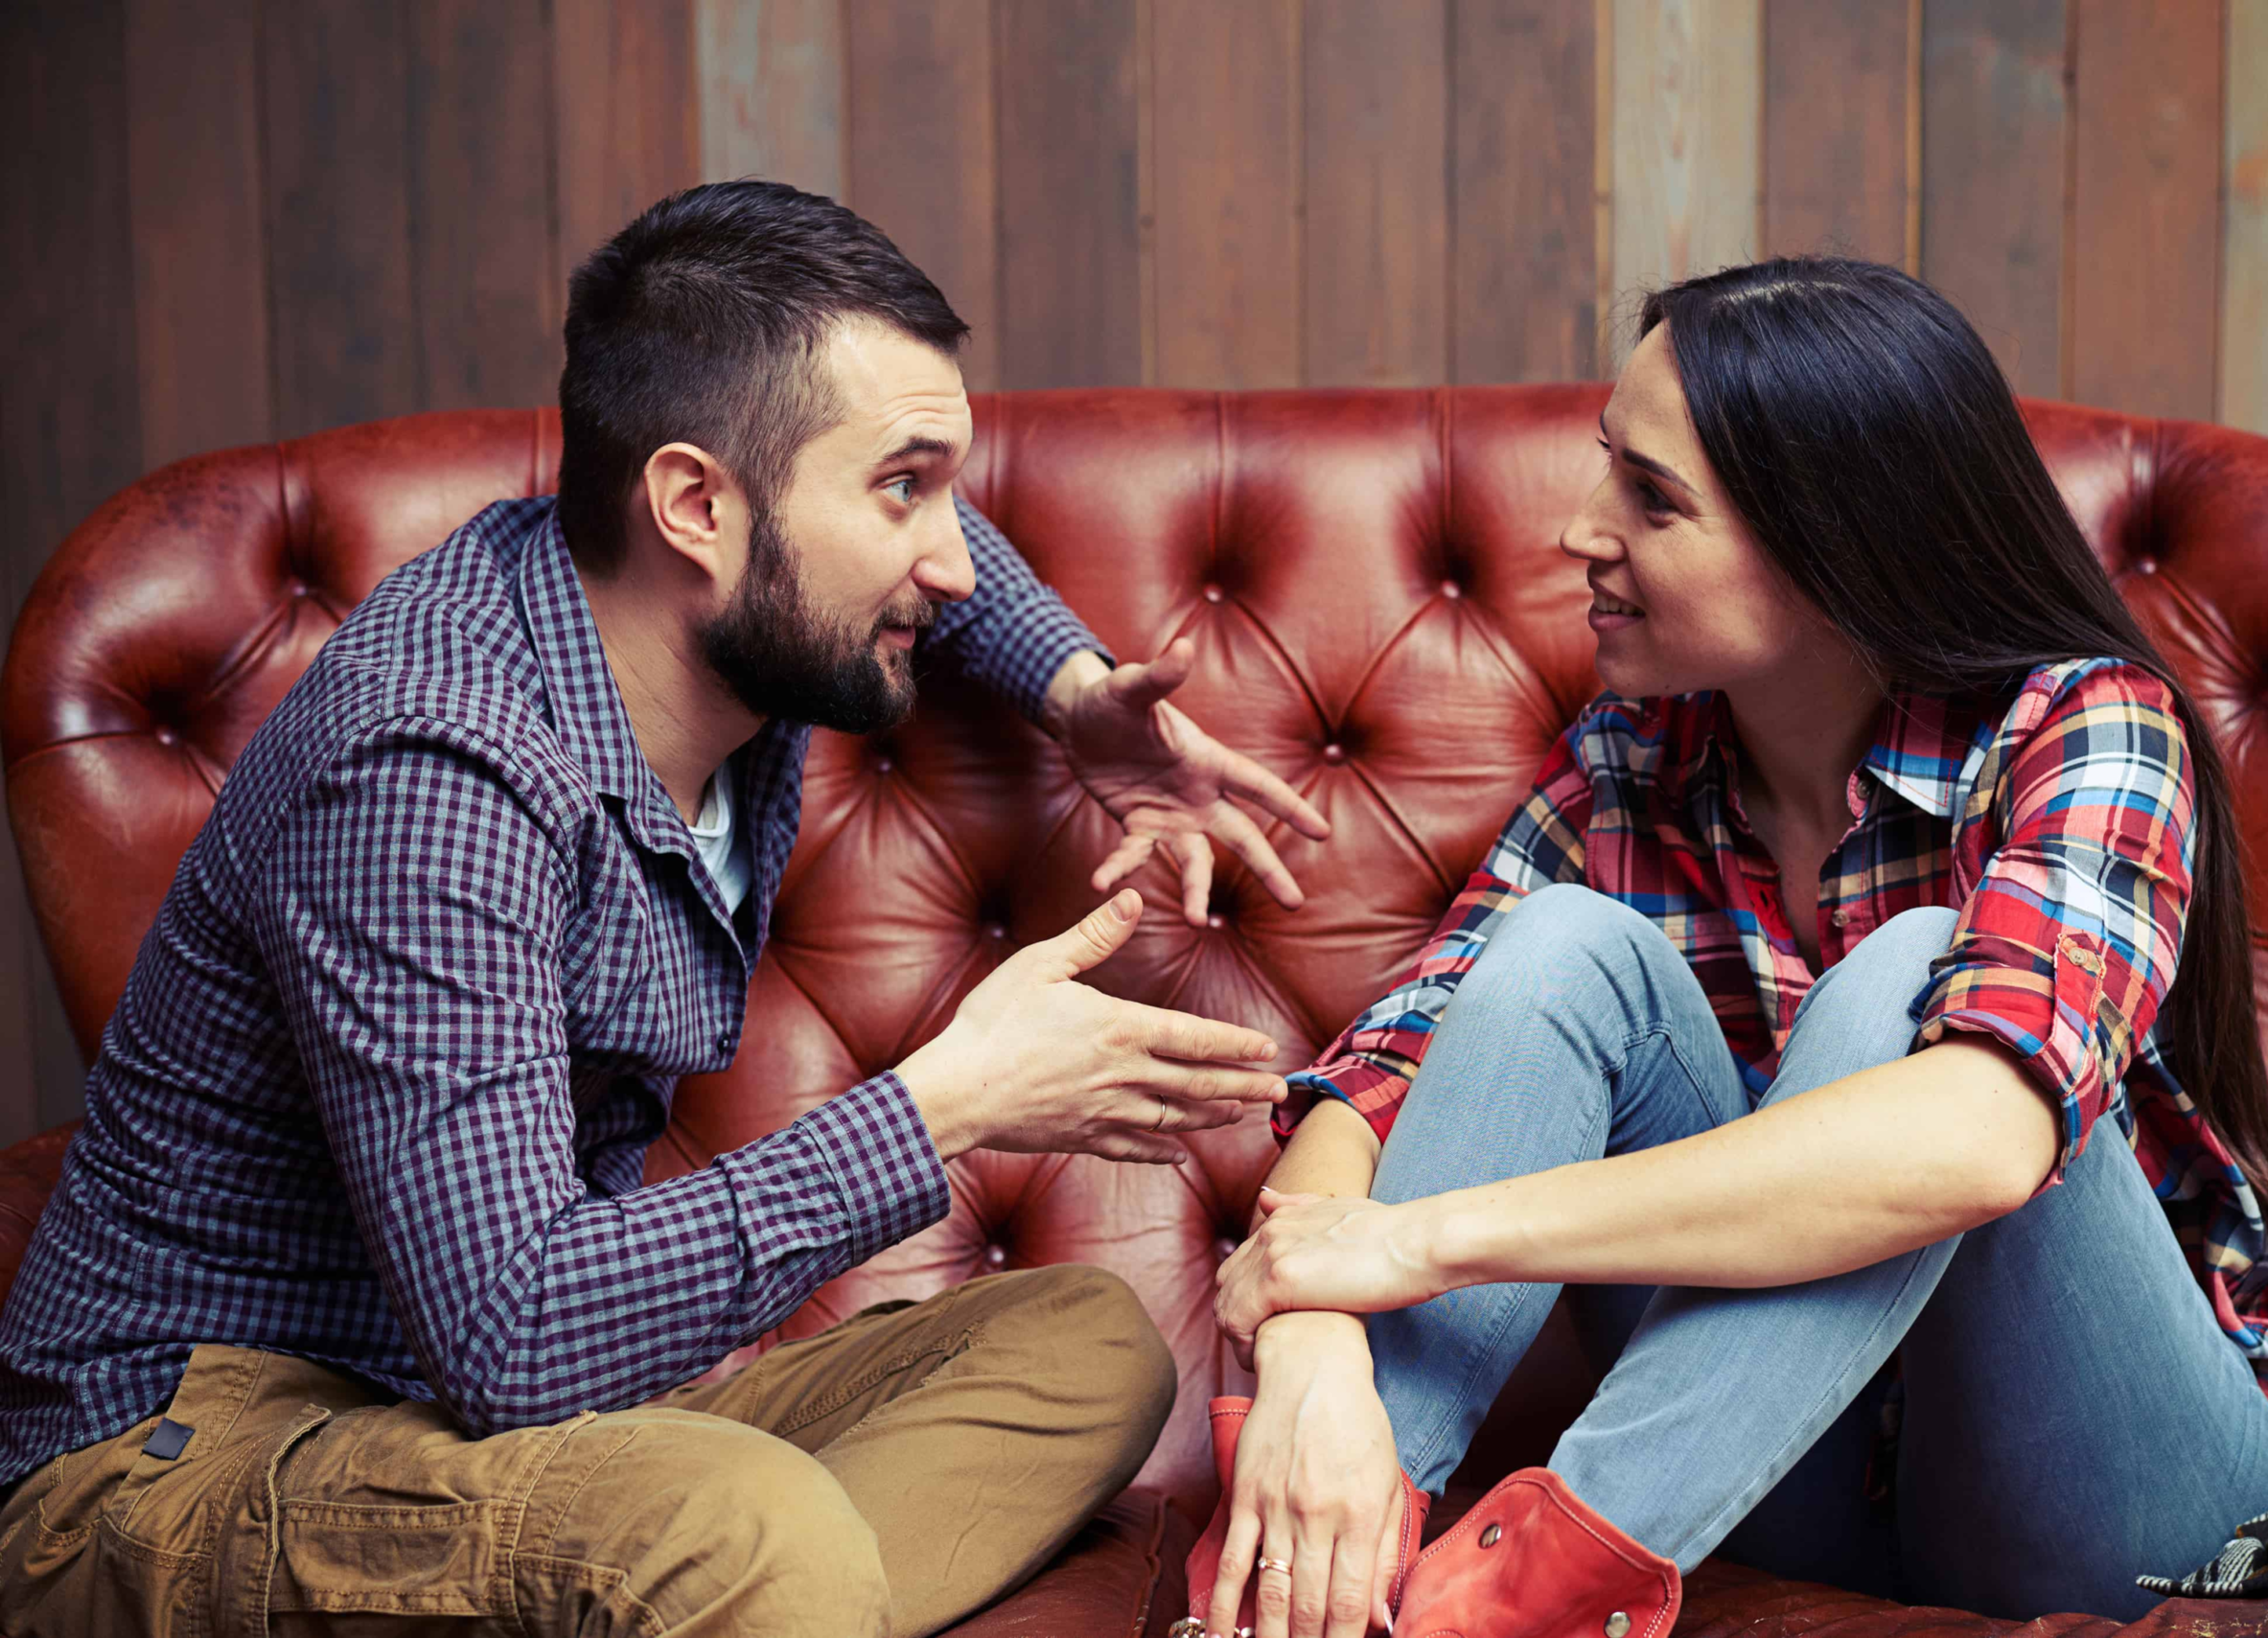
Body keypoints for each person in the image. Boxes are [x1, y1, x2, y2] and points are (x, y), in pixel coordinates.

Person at [0, 180, 1333, 1638]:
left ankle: (738, 1602)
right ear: (696, 503)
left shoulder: (712, 620)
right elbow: (512, 1330)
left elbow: (953, 569)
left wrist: (1076, 692)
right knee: (742, 1527)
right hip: (191, 1457)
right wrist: (940, 1108)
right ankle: (744, 1587)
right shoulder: (432, 769)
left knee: (1086, 1347)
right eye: (903, 490)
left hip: (492, 1438)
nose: (949, 559)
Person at [1192, 257, 2268, 1638]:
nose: (1579, 533)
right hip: (1778, 1480)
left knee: (1909, 980)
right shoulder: (1628, 766)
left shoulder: (2088, 727)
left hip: (2118, 1495)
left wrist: (1423, 1246)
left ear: (1834, 535)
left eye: (1652, 499)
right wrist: (1312, 1353)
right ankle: (1307, 1591)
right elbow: (1384, 1078)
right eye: (1609, 470)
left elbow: (1975, 1139)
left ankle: (1500, 1612)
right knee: (1555, 949)